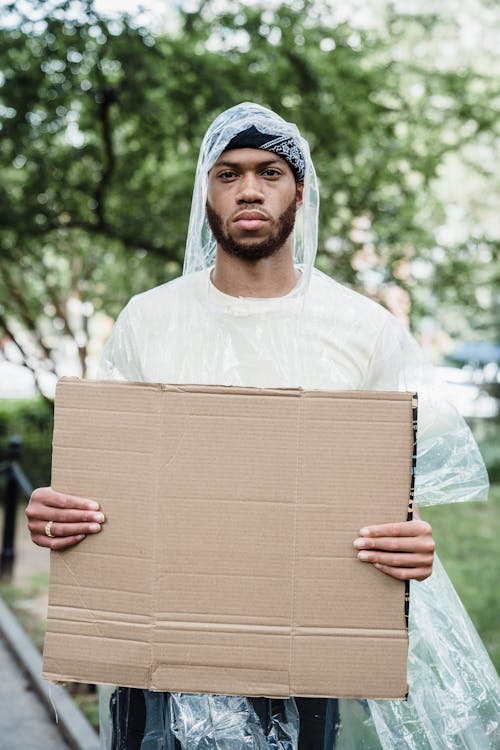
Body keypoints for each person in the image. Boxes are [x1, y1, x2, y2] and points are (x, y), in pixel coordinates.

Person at [27, 103, 499, 749]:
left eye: (269, 172)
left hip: (300, 658)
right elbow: (105, 484)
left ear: (299, 191)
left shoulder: (363, 330)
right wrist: (59, 510)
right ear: (207, 193)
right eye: (228, 174)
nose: (249, 189)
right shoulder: (149, 319)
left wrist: (412, 541)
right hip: (159, 657)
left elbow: (394, 498)